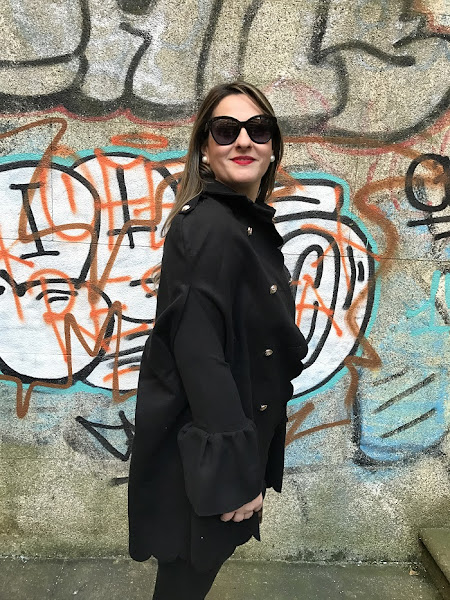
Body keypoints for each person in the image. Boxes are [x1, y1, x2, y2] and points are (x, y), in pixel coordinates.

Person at [128, 81, 308, 600]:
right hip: (205, 450)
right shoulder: (211, 226)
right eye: (226, 130)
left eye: (259, 129)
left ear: (273, 148)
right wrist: (234, 472)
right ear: (205, 150)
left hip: (220, 443)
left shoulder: (239, 224)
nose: (244, 140)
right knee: (184, 582)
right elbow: (199, 353)